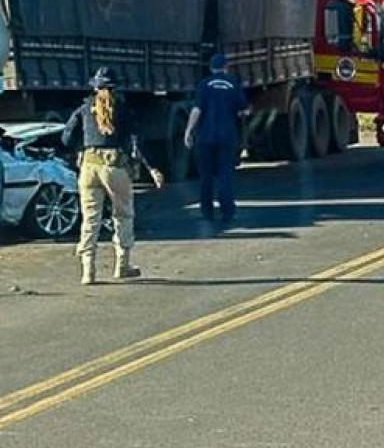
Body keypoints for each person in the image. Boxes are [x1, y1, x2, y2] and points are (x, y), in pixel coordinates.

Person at [62, 67, 164, 285]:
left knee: (90, 219)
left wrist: (80, 150)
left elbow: (66, 137)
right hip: (115, 167)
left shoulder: (83, 109)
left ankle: (88, 271)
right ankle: (122, 265)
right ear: (115, 88)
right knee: (123, 215)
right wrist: (153, 168)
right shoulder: (123, 110)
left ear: (94, 87)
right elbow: (137, 143)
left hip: (89, 167)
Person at [184, 53, 249, 226]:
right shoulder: (233, 84)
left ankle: (207, 212)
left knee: (206, 177)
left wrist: (189, 131)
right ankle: (227, 211)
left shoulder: (204, 85)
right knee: (225, 175)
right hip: (227, 138)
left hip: (206, 138)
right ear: (226, 67)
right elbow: (244, 110)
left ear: (211, 68)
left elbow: (197, 110)